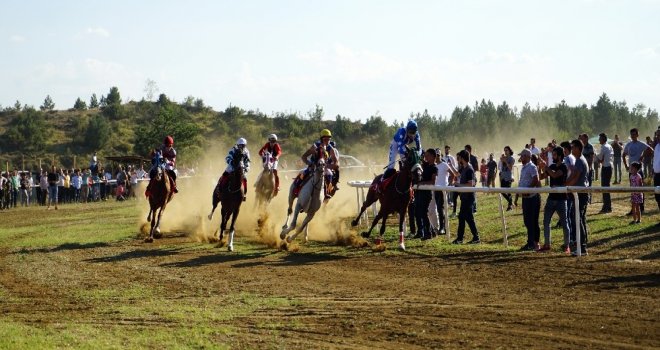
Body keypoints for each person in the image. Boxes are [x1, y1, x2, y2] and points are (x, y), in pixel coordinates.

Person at [538, 147, 570, 253]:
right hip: (551, 198)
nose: (553, 157)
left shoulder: (564, 167)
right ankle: (547, 244)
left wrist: (546, 167)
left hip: (561, 199)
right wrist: (540, 166)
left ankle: (567, 246)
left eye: (555, 155)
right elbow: (542, 176)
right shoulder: (551, 166)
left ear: (560, 156)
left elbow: (555, 175)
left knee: (565, 224)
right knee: (546, 221)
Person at [297, 129, 340, 199]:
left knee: (330, 175)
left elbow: (336, 163)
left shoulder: (331, 149)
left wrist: (328, 166)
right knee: (303, 173)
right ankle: (296, 190)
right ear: (321, 139)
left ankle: (327, 193)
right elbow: (304, 157)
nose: (327, 141)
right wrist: (310, 163)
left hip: (324, 168)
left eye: (329, 139)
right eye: (325, 139)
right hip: (313, 166)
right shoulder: (315, 146)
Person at [566, 139, 590, 256]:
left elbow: (576, 177)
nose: (572, 149)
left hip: (581, 193)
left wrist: (566, 187)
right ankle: (582, 244)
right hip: (580, 193)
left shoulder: (580, 160)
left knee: (578, 218)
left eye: (573, 147)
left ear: (578, 148)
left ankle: (583, 247)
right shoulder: (578, 160)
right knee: (579, 218)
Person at [451, 150, 480, 245]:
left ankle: (461, 238)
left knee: (463, 217)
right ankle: (474, 238)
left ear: (462, 158)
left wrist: (458, 185)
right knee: (467, 218)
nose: (458, 159)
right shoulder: (464, 168)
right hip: (465, 197)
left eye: (459, 157)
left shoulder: (469, 169)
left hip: (468, 197)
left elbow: (471, 184)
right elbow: (457, 174)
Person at [623, 128, 652, 214]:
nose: (633, 136)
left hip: (639, 171)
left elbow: (650, 150)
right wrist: (626, 166)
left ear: (637, 135)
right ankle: (633, 209)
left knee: (640, 190)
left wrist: (643, 156)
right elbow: (623, 155)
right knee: (632, 190)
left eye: (634, 134)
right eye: (631, 134)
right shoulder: (628, 144)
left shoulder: (641, 144)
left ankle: (641, 208)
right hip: (631, 172)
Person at [517, 149, 541, 251]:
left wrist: (528, 190)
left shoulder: (531, 167)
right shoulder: (524, 167)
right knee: (528, 221)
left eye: (522, 156)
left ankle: (532, 243)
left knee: (531, 221)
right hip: (526, 198)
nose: (520, 158)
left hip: (532, 198)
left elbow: (536, 179)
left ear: (526, 156)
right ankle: (533, 242)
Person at [414, 149, 438, 240]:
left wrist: (422, 183)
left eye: (427, 155)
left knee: (423, 213)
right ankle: (431, 231)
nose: (426, 157)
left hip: (427, 194)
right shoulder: (426, 166)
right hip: (421, 193)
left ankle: (428, 233)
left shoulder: (434, 167)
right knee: (421, 213)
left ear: (432, 156)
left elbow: (433, 182)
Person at [432, 150, 458, 235]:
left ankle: (442, 227)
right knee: (437, 208)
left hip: (443, 189)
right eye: (436, 155)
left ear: (440, 156)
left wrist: (449, 184)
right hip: (436, 189)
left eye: (438, 155)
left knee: (440, 208)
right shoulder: (434, 166)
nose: (437, 157)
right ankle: (441, 226)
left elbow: (452, 174)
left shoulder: (444, 164)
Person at [596, 133, 613, 213]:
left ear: (603, 139)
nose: (599, 140)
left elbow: (600, 159)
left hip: (606, 168)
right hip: (609, 167)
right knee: (607, 187)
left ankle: (606, 207)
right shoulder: (609, 146)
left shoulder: (603, 147)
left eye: (600, 138)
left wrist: (595, 155)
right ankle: (608, 206)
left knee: (604, 188)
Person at [500, 146, 515, 211]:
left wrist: (505, 161)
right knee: (502, 191)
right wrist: (501, 160)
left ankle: (510, 206)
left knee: (508, 192)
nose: (505, 152)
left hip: (508, 177)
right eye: (504, 150)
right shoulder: (504, 158)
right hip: (503, 176)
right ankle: (511, 203)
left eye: (506, 150)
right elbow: (501, 168)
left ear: (509, 151)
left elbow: (510, 168)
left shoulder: (511, 158)